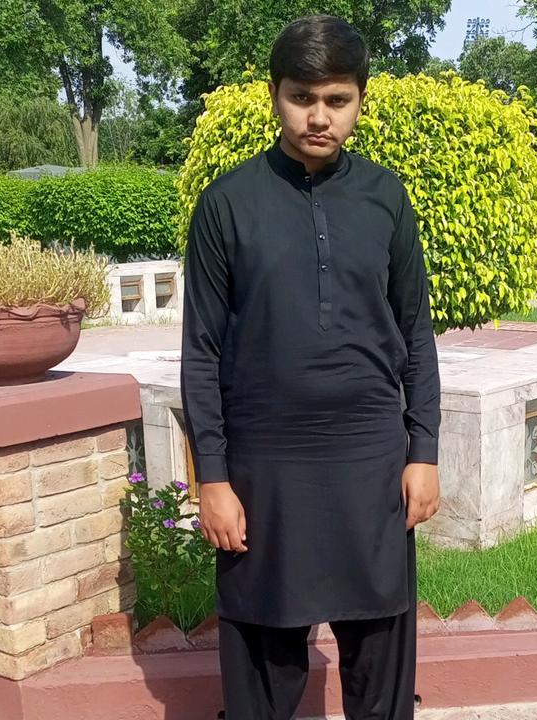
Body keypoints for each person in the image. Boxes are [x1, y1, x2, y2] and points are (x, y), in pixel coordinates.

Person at [180, 14, 441, 720]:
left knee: (381, 655)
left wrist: (423, 451)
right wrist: (213, 478)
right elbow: (201, 351)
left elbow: (415, 333)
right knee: (262, 667)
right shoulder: (228, 204)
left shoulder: (386, 198)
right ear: (275, 95)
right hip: (265, 467)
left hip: (370, 461)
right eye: (302, 98)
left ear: (359, 100)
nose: (318, 117)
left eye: (336, 100)